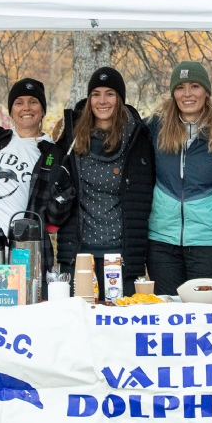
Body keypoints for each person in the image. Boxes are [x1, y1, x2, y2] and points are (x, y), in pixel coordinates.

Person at [146, 60, 212, 296]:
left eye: (195, 86)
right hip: (162, 239)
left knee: (206, 312)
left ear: (206, 91)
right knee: (167, 312)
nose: (187, 94)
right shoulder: (156, 126)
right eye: (180, 87)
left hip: (209, 240)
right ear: (173, 93)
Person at [55, 67, 155, 296]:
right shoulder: (71, 137)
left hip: (122, 252)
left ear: (119, 99)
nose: (102, 100)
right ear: (89, 99)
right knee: (78, 323)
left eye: (110, 93)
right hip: (79, 252)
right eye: (96, 94)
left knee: (122, 322)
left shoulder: (138, 138)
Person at [0, 77, 72, 255]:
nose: (26, 107)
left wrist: (63, 192)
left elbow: (56, 218)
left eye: (33, 102)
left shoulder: (52, 154)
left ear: (42, 109)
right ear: (11, 110)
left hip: (25, 250)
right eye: (19, 102)